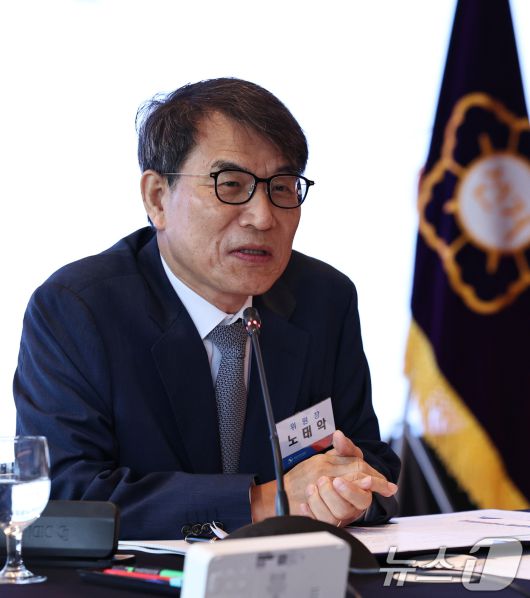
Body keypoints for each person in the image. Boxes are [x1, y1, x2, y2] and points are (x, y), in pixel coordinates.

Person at [14, 78, 400, 539]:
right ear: (157, 198)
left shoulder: (324, 299)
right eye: (231, 185)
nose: (263, 217)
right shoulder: (78, 310)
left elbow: (372, 463)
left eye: (281, 187)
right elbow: (61, 499)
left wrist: (348, 492)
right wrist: (261, 501)